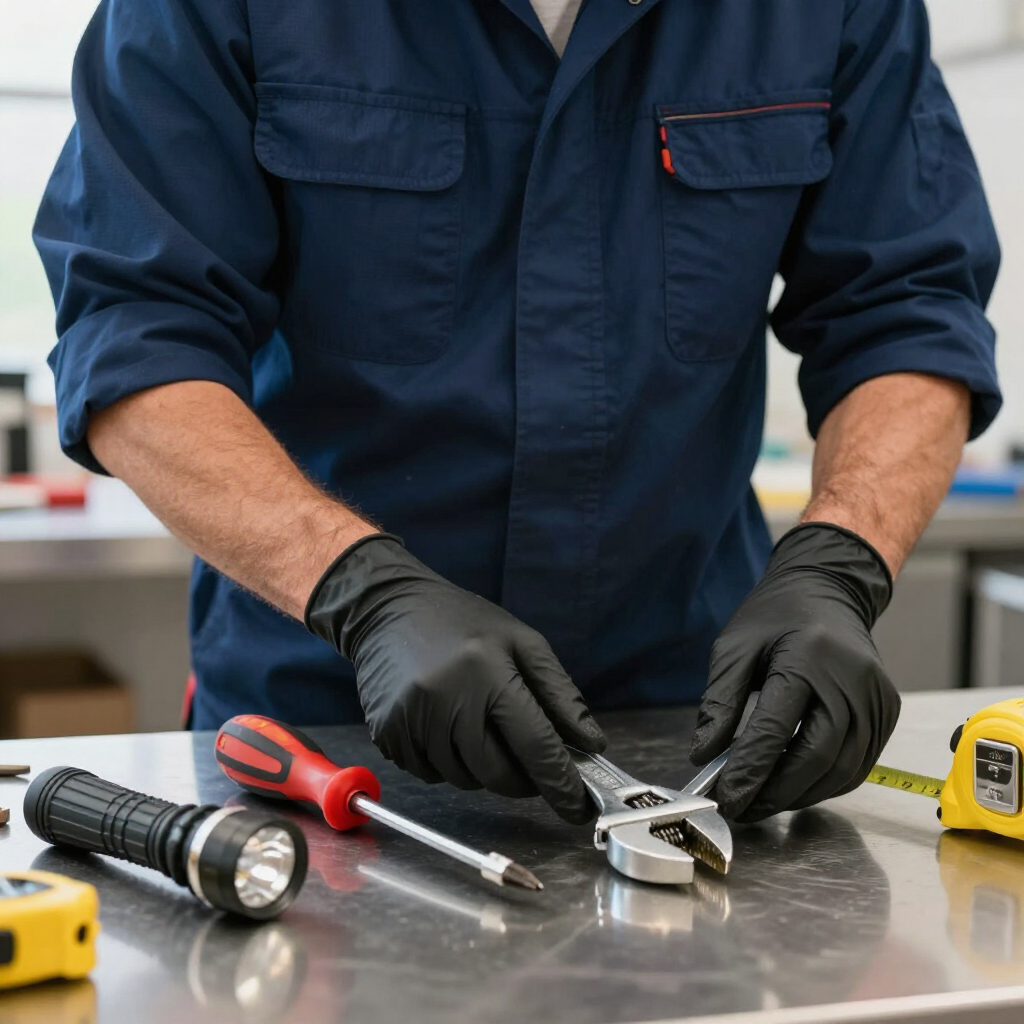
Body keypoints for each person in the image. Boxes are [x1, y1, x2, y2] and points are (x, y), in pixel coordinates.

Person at [35, 0, 1000, 826]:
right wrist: (363, 594)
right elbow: (135, 337)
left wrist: (841, 561)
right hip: (320, 742)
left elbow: (906, 314)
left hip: (691, 733)